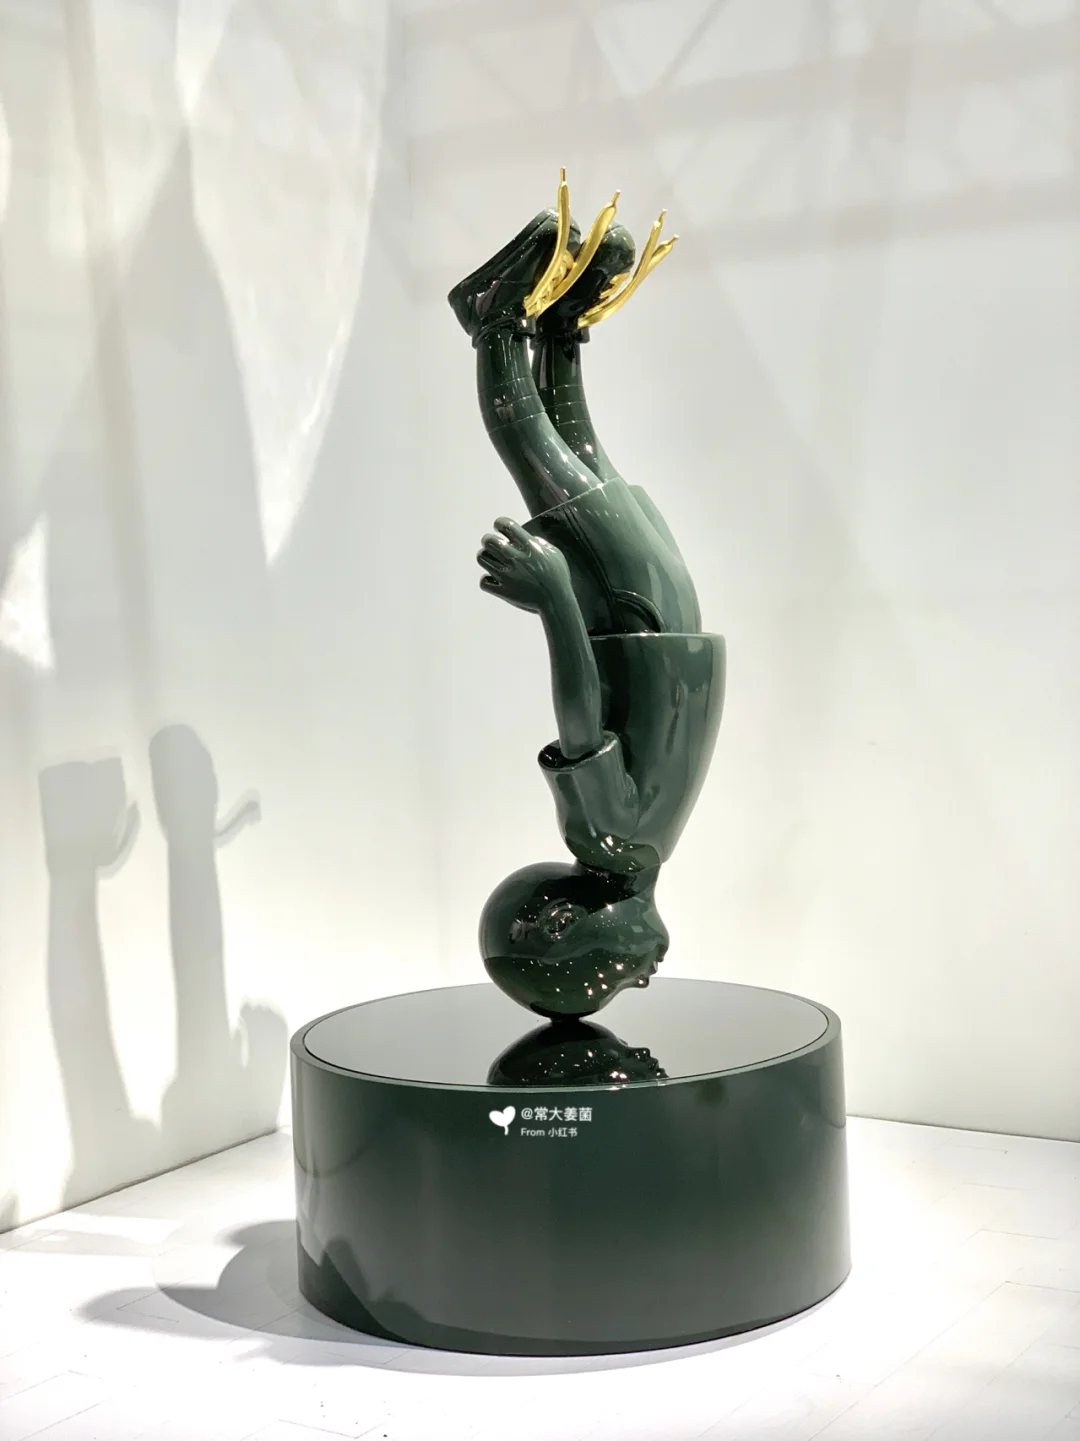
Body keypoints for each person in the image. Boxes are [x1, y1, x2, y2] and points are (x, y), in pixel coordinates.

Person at [448, 178, 725, 1020]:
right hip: (658, 619)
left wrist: (556, 598)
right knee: (581, 462)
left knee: (537, 452)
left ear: (567, 927)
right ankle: (562, 328)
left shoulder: (607, 840)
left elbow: (582, 721)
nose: (644, 973)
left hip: (636, 616)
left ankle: (493, 323)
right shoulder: (643, 853)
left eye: (611, 972)